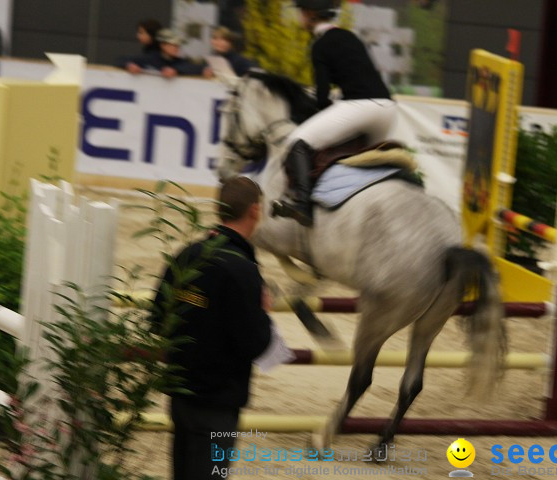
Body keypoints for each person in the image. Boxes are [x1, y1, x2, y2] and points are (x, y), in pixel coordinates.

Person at [150, 176, 272, 480]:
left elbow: (156, 318)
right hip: (218, 404)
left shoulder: (187, 255)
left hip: (180, 396)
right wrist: (263, 314)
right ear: (255, 211)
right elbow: (256, 344)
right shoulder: (243, 270)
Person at [271, 0, 397, 227]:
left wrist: (318, 111)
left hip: (361, 107)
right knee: (371, 166)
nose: (300, 17)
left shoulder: (320, 45)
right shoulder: (350, 36)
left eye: (301, 12)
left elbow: (322, 94)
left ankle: (302, 204)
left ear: (310, 14)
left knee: (297, 141)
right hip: (387, 108)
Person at [124, 29, 206, 78]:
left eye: (177, 45)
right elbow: (121, 59)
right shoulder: (150, 58)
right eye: (172, 45)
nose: (176, 48)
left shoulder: (180, 62)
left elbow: (197, 68)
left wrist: (176, 70)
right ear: (162, 45)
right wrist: (130, 65)